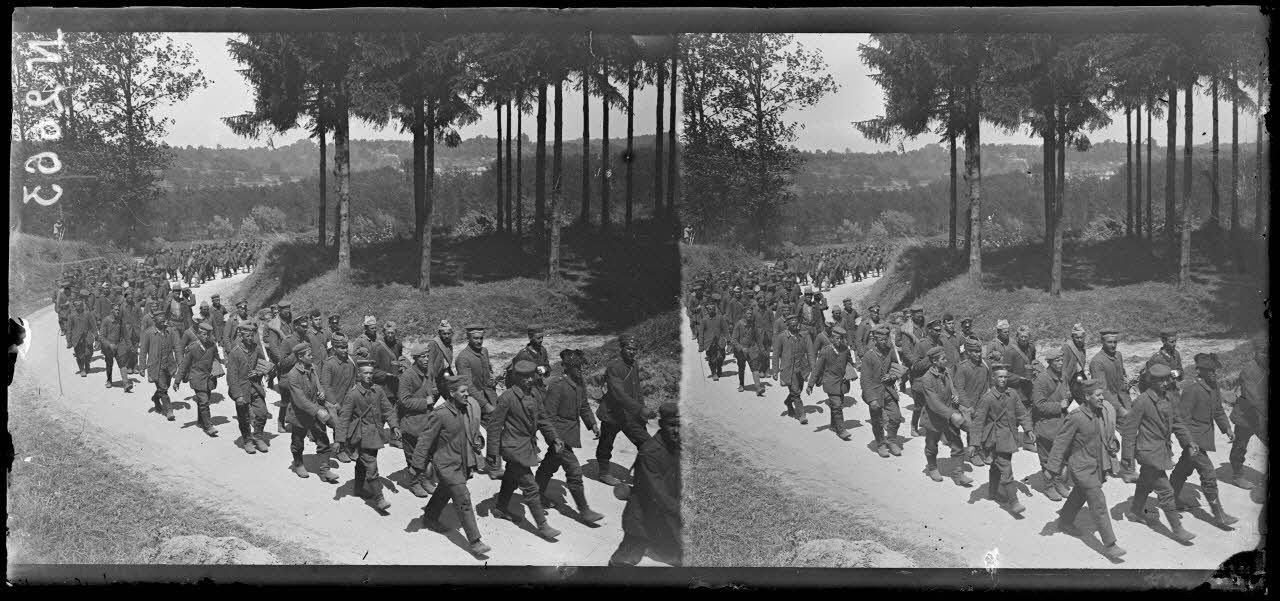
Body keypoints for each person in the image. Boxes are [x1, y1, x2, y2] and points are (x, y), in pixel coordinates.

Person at [1047, 378, 1127, 561]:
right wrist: (1051, 469)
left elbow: (1108, 433)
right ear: (1087, 396)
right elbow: (1060, 443)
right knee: (1098, 502)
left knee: (1080, 494)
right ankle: (1110, 544)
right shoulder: (1076, 417)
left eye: (1102, 394)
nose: (1102, 398)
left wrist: (1114, 444)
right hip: (1082, 467)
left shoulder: (1102, 412)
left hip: (1097, 464)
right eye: (1098, 395)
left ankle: (1065, 521)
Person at [413, 374, 490, 556]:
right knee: (463, 498)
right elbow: (425, 440)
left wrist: (479, 439)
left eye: (467, 391)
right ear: (452, 393)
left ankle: (430, 517)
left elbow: (473, 429)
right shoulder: (440, 414)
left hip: (463, 461)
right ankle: (475, 541)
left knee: (445, 490)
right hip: (446, 464)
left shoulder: (465, 408)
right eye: (463, 392)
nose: (467, 394)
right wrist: (416, 467)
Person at [486, 360, 564, 541]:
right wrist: (492, 454)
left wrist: (554, 437)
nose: (529, 380)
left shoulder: (535, 394)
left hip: (527, 446)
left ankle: (500, 508)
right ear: (516, 377)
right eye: (525, 377)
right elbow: (494, 427)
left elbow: (543, 419)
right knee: (530, 486)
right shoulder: (507, 397)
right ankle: (543, 526)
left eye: (531, 376)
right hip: (513, 448)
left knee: (511, 478)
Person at [1121, 363, 1197, 544]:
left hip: (1162, 450)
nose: (1164, 383)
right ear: (1151, 381)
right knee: (1166, 490)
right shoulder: (1142, 401)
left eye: (1166, 379)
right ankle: (1178, 530)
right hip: (1148, 453)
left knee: (1145, 483)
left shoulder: (1169, 398)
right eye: (1160, 380)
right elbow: (1129, 431)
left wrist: (1188, 441)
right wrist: (1127, 461)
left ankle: (1135, 511)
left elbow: (1177, 423)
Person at [536, 349, 605, 524]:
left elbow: (584, 406)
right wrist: (554, 439)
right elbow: (548, 416)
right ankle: (584, 510)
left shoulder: (579, 384)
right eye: (577, 367)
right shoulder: (558, 385)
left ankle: (535, 494)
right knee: (574, 470)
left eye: (581, 367)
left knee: (550, 464)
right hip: (559, 436)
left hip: (569, 434)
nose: (580, 370)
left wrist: (592, 424)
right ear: (567, 367)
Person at [609, 402, 682, 567]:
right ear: (662, 424)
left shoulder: (677, 446)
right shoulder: (650, 452)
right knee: (623, 561)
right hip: (642, 519)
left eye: (680, 425)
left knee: (679, 556)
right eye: (672, 425)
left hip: (664, 517)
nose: (677, 430)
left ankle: (653, 550)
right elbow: (658, 492)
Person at [1170, 353, 1238, 527]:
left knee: (1184, 468)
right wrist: (1188, 443)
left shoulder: (1213, 387)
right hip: (1193, 440)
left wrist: (1227, 428)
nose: (1214, 373)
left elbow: (1218, 410)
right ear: (1200, 371)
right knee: (1208, 473)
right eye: (1210, 371)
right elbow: (1182, 419)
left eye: (1215, 370)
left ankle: (1170, 499)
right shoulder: (1192, 390)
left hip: (1203, 438)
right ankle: (1219, 515)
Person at [969, 364, 1034, 514]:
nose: (1003, 379)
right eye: (1000, 377)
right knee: (1006, 468)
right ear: (993, 378)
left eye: (1005, 376)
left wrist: (1028, 429)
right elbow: (978, 422)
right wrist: (974, 443)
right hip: (994, 438)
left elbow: (1022, 413)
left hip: (1009, 436)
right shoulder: (987, 398)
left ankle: (992, 492)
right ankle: (1014, 502)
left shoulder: (1013, 394)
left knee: (996, 466)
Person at [338, 360, 400, 512]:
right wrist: (339, 440)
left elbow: (387, 409)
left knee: (363, 461)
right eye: (365, 373)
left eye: (371, 373)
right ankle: (379, 499)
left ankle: (358, 488)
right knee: (371, 464)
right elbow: (344, 418)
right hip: (361, 434)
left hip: (375, 433)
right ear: (359, 375)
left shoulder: (378, 390)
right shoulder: (353, 394)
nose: (369, 376)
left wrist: (394, 425)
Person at [595, 334, 653, 486]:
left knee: (646, 443)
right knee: (606, 443)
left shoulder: (634, 364)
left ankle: (644, 474)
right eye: (629, 348)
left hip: (630, 414)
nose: (632, 352)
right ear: (621, 348)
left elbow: (637, 389)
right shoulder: (614, 367)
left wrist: (641, 410)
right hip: (613, 413)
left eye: (634, 349)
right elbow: (619, 394)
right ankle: (604, 473)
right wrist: (639, 409)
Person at [918, 346, 973, 486]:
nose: (946, 360)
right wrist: (951, 414)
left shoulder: (946, 371)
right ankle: (932, 468)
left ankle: (958, 474)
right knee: (932, 445)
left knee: (957, 444)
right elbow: (934, 402)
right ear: (934, 361)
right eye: (943, 359)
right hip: (933, 418)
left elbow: (952, 387)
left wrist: (955, 395)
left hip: (949, 415)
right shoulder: (927, 379)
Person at [285, 343, 339, 483]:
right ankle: (298, 464)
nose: (312, 356)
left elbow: (317, 383)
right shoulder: (293, 375)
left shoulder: (312, 367)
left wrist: (321, 392)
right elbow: (300, 400)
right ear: (300, 357)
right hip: (299, 415)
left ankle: (325, 471)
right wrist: (317, 411)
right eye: (309, 355)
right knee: (298, 442)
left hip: (315, 411)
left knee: (323, 440)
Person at [1090, 329, 1136, 483]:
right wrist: (1120, 409)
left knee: (1128, 434)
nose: (1113, 345)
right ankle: (1120, 469)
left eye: (1115, 342)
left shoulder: (1118, 355)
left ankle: (1126, 469)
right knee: (1108, 437)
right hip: (1107, 404)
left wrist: (1127, 383)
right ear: (1102, 342)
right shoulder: (1097, 362)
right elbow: (1103, 390)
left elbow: (1121, 377)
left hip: (1123, 399)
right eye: (1109, 342)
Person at [456, 324, 501, 476]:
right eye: (475, 338)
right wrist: (485, 404)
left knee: (495, 431)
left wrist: (492, 378)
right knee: (472, 434)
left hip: (489, 396)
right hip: (473, 401)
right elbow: (468, 385)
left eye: (481, 338)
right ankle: (478, 465)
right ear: (468, 338)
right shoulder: (463, 358)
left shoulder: (484, 351)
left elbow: (487, 372)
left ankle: (492, 465)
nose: (479, 341)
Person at [397, 343, 440, 497]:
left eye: (428, 356)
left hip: (427, 421)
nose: (427, 359)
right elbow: (403, 401)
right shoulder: (407, 376)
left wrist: (434, 392)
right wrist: (424, 402)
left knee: (427, 453)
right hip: (411, 422)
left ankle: (425, 479)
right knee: (413, 455)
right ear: (415, 358)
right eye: (423, 357)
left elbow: (432, 389)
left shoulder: (429, 371)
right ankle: (414, 482)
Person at [1031, 347, 1071, 501]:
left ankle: (1058, 482)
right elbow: (1039, 405)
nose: (1061, 363)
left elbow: (1066, 394)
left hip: (1061, 423)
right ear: (1049, 362)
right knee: (1047, 458)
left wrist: (1067, 398)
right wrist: (1059, 405)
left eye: (1061, 360)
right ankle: (1049, 486)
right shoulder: (1041, 380)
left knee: (1061, 455)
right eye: (1057, 360)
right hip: (1045, 425)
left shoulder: (1063, 375)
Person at [1228, 335, 1268, 490]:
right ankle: (1237, 476)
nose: (1265, 355)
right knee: (1240, 447)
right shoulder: (1249, 370)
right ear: (1255, 353)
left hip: (1261, 417)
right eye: (1262, 352)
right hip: (1246, 416)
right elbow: (1254, 398)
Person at [860, 325, 904, 457]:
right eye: (881, 340)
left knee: (896, 418)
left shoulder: (890, 351)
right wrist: (871, 399)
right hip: (874, 393)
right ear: (875, 340)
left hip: (888, 390)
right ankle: (880, 444)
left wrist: (892, 376)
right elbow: (865, 380)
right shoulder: (869, 356)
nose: (884, 342)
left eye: (886, 339)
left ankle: (891, 440)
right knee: (877, 422)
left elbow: (896, 366)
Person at [226, 322, 271, 454]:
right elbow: (232, 376)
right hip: (241, 389)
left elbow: (264, 364)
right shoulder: (235, 352)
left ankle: (258, 437)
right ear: (241, 336)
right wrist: (237, 395)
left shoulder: (256, 348)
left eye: (252, 335)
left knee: (262, 413)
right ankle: (247, 441)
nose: (250, 338)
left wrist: (258, 372)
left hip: (255, 387)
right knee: (244, 418)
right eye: (247, 336)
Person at [807, 326, 856, 441]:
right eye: (837, 338)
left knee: (838, 404)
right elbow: (817, 369)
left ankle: (834, 425)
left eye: (841, 338)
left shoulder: (845, 349)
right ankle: (841, 430)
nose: (839, 341)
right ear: (832, 338)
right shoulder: (825, 351)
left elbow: (849, 362)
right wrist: (810, 384)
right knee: (837, 405)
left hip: (842, 383)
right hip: (830, 382)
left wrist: (851, 370)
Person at [175, 322, 221, 437]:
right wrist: (177, 381)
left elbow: (216, 359)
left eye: (208, 335)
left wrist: (218, 368)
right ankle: (208, 426)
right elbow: (184, 366)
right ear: (199, 334)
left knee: (204, 401)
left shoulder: (212, 346)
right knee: (204, 402)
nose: (206, 337)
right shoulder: (192, 348)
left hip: (209, 378)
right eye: (203, 334)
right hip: (197, 378)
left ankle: (201, 421)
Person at [320, 334, 359, 464]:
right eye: (341, 348)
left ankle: (349, 447)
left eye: (346, 347)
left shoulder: (351, 362)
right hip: (334, 402)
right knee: (338, 426)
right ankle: (340, 450)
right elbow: (326, 385)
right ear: (334, 348)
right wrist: (334, 403)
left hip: (348, 400)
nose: (345, 350)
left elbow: (354, 381)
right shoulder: (329, 364)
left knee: (352, 424)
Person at [954, 338, 990, 466]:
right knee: (972, 429)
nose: (978, 354)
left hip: (981, 403)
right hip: (968, 405)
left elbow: (987, 385)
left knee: (984, 427)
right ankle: (973, 454)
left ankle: (982, 450)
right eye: (975, 351)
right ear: (968, 352)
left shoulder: (984, 366)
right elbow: (959, 388)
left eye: (979, 351)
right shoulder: (963, 367)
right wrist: (968, 407)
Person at [139, 313, 180, 421]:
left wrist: (180, 362)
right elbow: (143, 351)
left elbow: (177, 347)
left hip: (169, 365)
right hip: (156, 366)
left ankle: (156, 398)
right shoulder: (148, 333)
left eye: (164, 321)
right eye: (161, 322)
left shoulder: (170, 331)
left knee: (166, 386)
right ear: (155, 322)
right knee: (163, 389)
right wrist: (142, 367)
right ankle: (169, 410)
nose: (164, 323)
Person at [772, 315, 811, 426]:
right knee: (796, 392)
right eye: (793, 325)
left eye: (796, 324)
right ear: (788, 325)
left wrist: (811, 367)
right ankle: (802, 415)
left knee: (800, 389)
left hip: (801, 368)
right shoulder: (781, 337)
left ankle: (788, 402)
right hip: (789, 369)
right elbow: (775, 354)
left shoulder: (802, 335)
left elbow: (809, 352)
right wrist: (775, 370)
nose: (795, 327)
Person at [730, 307, 768, 395]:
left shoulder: (753, 324)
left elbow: (758, 339)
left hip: (752, 350)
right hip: (741, 351)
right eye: (748, 313)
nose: (750, 315)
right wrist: (741, 348)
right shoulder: (739, 324)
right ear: (744, 314)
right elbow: (733, 339)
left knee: (755, 368)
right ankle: (741, 384)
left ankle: (758, 388)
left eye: (751, 313)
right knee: (741, 368)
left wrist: (762, 349)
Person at [99, 303, 134, 391]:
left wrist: (130, 345)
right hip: (109, 347)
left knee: (122, 364)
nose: (118, 311)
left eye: (118, 310)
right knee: (109, 364)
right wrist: (108, 344)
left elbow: (125, 335)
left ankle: (126, 384)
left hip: (119, 345)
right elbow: (101, 336)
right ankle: (109, 380)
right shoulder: (106, 320)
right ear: (111, 310)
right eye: (116, 309)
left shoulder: (120, 320)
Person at [698, 300, 729, 381]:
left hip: (719, 341)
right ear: (707, 310)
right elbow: (701, 333)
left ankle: (719, 367)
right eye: (710, 309)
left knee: (721, 357)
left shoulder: (720, 318)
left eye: (713, 309)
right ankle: (714, 373)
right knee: (712, 359)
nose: (711, 310)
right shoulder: (704, 320)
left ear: (715, 309)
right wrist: (701, 345)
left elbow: (725, 329)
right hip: (709, 343)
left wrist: (728, 340)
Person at [67, 297, 97, 377]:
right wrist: (69, 341)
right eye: (76, 304)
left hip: (87, 337)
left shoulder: (88, 314)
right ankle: (82, 369)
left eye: (80, 304)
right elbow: (69, 329)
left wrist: (96, 337)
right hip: (77, 339)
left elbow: (93, 326)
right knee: (80, 356)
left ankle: (87, 363)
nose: (78, 306)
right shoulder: (71, 316)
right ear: (74, 306)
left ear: (82, 305)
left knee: (89, 353)